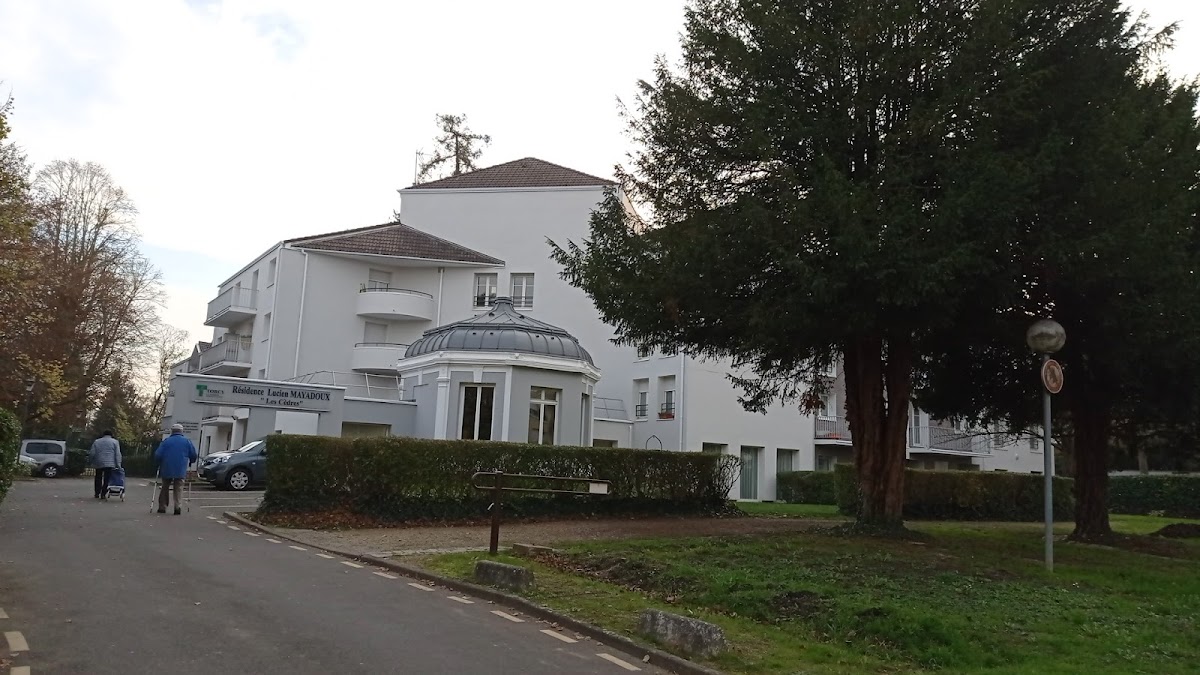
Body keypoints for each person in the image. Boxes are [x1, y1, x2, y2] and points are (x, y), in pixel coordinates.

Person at [155, 424, 197, 515]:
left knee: (165, 486)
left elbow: (158, 454)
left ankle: (162, 507)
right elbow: (193, 454)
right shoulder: (187, 441)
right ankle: (177, 507)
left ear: (172, 431)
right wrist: (191, 461)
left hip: (167, 467)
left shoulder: (166, 441)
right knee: (178, 487)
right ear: (181, 431)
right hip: (180, 468)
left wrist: (159, 462)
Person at [88, 430, 122, 500]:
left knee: (98, 477)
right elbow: (117, 454)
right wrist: (118, 465)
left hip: (99, 462)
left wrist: (90, 461)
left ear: (103, 434)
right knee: (107, 478)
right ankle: (103, 493)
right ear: (111, 435)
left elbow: (92, 453)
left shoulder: (97, 441)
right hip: (110, 463)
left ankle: (97, 493)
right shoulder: (115, 442)